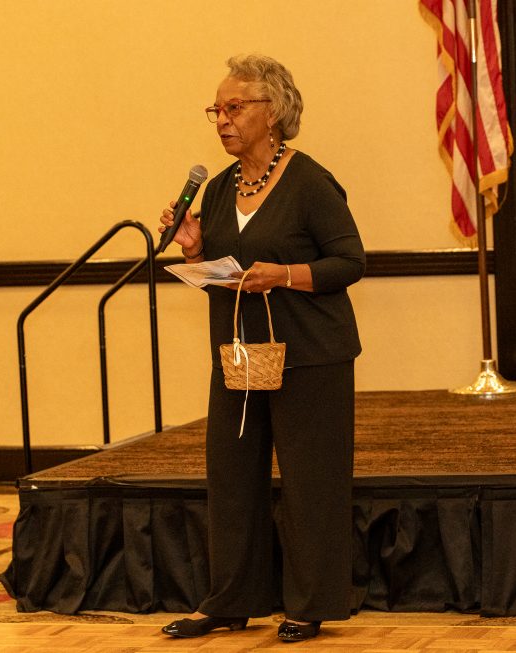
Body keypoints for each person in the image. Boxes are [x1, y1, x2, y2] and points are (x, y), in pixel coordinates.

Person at [158, 54, 364, 643]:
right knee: (232, 478)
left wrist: (286, 274)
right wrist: (195, 252)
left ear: (272, 113)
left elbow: (350, 261)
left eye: (234, 107)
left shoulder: (310, 182)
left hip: (312, 354)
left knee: (310, 482)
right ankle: (229, 600)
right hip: (241, 355)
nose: (222, 120)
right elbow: (226, 275)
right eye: (216, 110)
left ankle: (310, 604)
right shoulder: (219, 189)